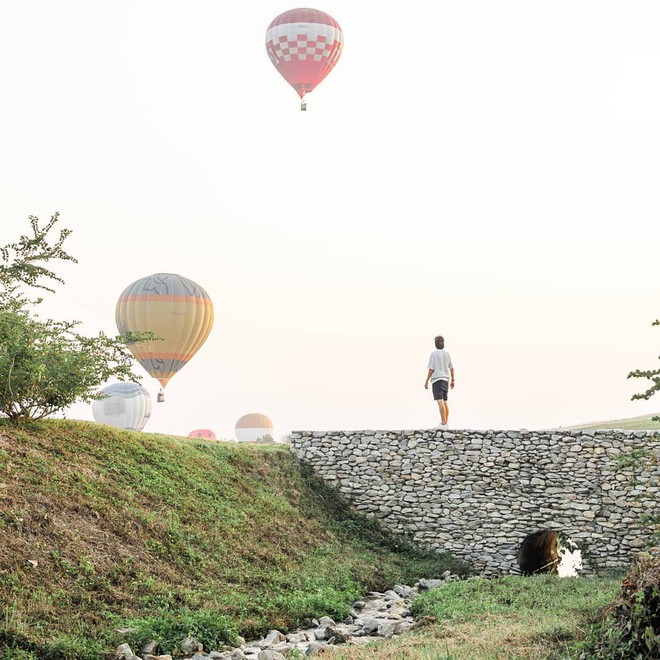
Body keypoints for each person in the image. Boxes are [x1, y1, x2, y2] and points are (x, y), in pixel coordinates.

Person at [424, 335, 455, 429]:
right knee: (445, 401)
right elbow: (451, 368)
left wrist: (426, 380)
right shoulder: (447, 354)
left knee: (440, 400)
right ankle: (446, 423)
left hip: (437, 379)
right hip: (446, 379)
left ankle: (443, 422)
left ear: (435, 344)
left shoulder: (433, 354)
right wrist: (453, 380)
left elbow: (431, 368)